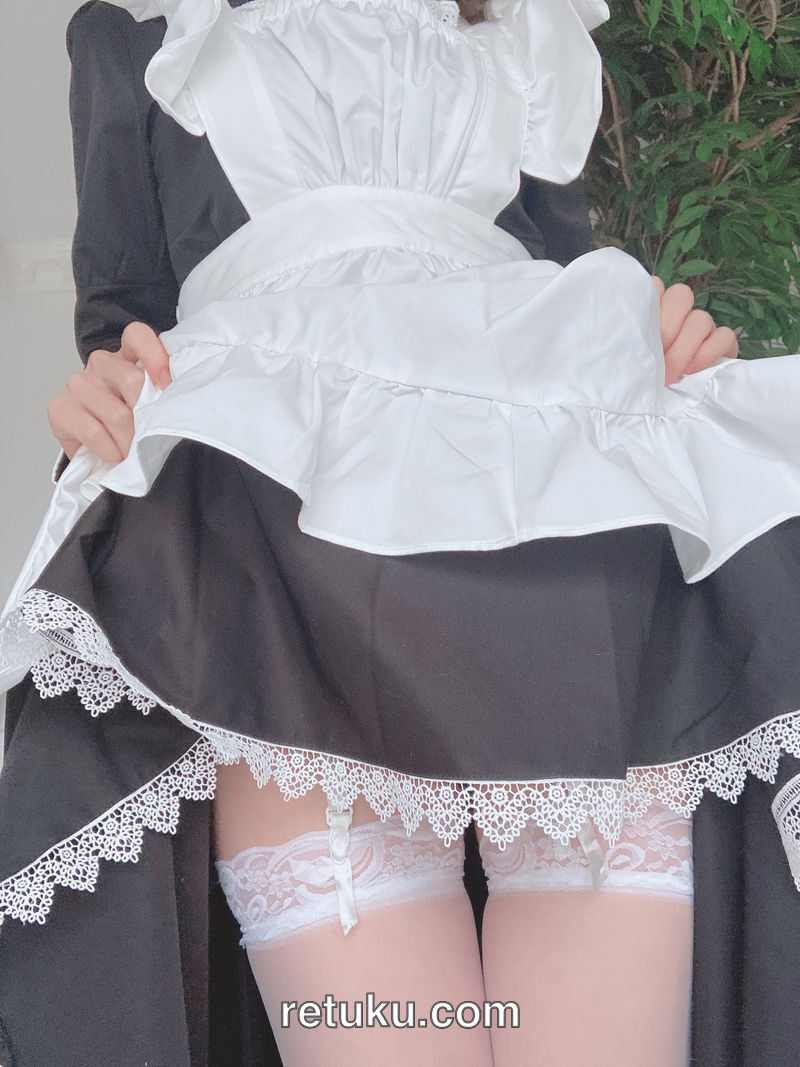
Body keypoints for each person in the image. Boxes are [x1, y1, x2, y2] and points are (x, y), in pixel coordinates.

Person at [0, 0, 799, 1064]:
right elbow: (122, 331)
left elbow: (563, 285)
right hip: (280, 571)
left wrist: (655, 340)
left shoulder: (528, 35)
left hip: (559, 549)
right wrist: (98, 399)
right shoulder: (140, 39)